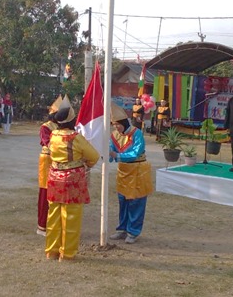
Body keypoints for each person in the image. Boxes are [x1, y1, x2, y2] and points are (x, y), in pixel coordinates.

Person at [45, 96, 99, 262]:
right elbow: (94, 156)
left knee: (53, 215)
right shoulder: (76, 138)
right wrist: (84, 163)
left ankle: (51, 251)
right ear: (72, 120)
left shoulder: (53, 135)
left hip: (54, 177)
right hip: (72, 180)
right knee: (71, 217)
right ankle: (67, 254)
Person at [108, 103, 153, 244]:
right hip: (123, 171)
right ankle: (122, 229)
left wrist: (117, 155)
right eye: (114, 125)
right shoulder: (114, 135)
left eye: (118, 124)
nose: (116, 127)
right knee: (123, 201)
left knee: (136, 202)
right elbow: (111, 149)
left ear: (123, 122)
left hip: (137, 170)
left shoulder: (136, 133)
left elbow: (136, 152)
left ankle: (133, 231)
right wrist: (108, 153)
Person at [36, 96, 61, 236]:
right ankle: (42, 225)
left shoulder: (62, 126)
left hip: (60, 161)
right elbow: (48, 143)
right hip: (48, 160)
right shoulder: (46, 127)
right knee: (45, 191)